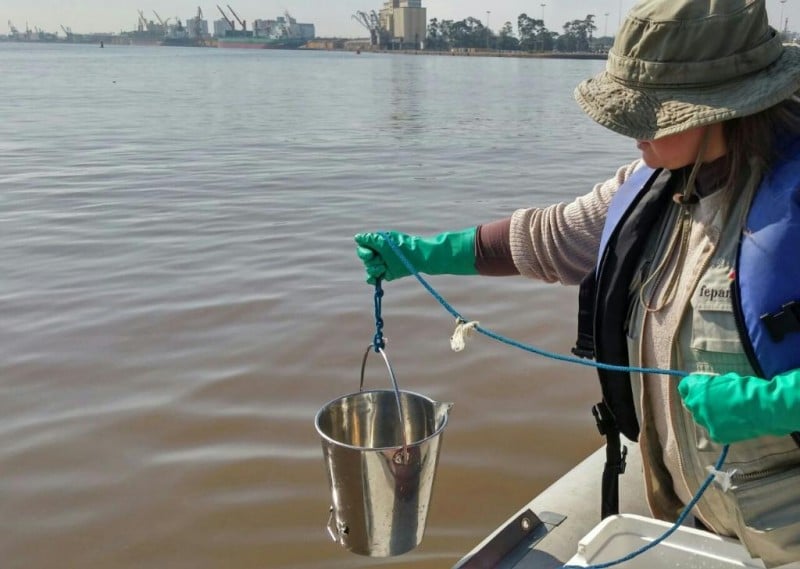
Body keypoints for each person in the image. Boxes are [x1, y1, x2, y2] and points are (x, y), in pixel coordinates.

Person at [354, 1, 800, 567]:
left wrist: (783, 403)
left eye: (647, 117)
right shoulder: (654, 185)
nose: (630, 134)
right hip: (696, 516)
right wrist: (423, 254)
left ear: (711, 111)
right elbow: (548, 237)